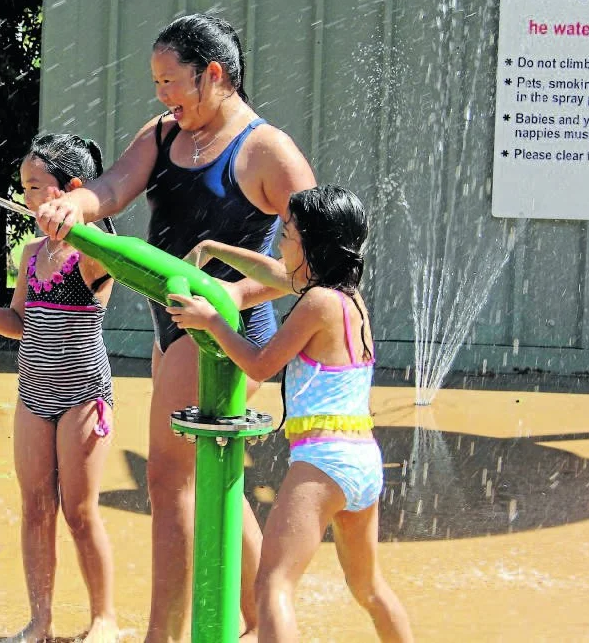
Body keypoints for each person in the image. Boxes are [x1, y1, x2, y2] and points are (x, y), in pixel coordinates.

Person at [35, 13, 316, 639]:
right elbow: (109, 190)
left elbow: (310, 261)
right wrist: (69, 206)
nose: (161, 96)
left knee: (169, 480)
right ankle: (258, 618)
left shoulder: (266, 150)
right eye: (156, 82)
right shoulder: (165, 136)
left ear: (212, 75)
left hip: (223, 329)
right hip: (177, 325)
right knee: (217, 476)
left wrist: (224, 302)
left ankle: (166, 635)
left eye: (170, 81)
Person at [167, 184, 414, 643]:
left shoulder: (317, 303)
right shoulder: (346, 297)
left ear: (313, 245)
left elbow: (260, 364)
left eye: (288, 234)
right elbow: (275, 272)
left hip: (324, 460)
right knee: (368, 588)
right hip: (362, 460)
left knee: (272, 585)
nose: (281, 241)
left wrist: (212, 322)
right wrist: (215, 249)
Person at [0, 134, 119, 643]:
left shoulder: (92, 251)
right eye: (24, 188)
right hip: (33, 394)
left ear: (71, 190)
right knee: (35, 507)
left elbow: (109, 247)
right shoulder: (31, 253)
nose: (26, 198)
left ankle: (104, 619)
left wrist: (80, 221)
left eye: (36, 187)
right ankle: (40, 622)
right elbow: (21, 322)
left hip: (82, 396)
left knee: (80, 511)